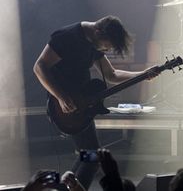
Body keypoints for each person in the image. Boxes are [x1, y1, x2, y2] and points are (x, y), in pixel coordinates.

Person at [33, 15, 160, 189]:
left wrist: (143, 74)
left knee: (88, 155)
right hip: (65, 107)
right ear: (98, 31)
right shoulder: (67, 37)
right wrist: (61, 97)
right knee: (92, 156)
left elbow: (111, 75)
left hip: (84, 105)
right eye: (106, 45)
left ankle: (67, 186)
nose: (106, 50)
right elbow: (39, 66)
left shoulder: (93, 43)